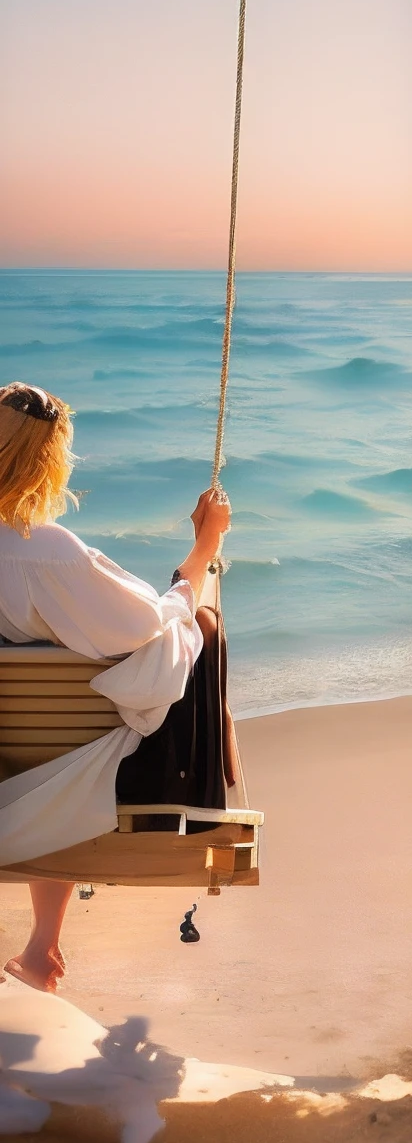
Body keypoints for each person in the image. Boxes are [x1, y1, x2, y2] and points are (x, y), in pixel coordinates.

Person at [0, 382, 233, 993]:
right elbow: (146, 623)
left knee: (45, 737)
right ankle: (214, 776)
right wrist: (204, 548)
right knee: (197, 628)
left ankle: (42, 947)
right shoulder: (43, 552)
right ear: (47, 462)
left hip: (11, 764)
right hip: (78, 764)